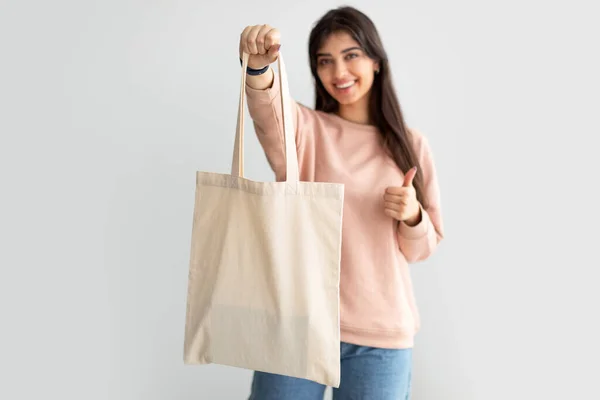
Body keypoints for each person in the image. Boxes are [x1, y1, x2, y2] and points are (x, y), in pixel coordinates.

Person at [239, 6, 444, 400]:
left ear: (376, 61)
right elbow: (267, 111)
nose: (339, 72)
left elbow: (422, 249)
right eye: (325, 61)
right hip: (297, 328)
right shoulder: (306, 131)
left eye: (351, 56)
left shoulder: (411, 145)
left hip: (381, 337)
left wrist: (413, 216)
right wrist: (260, 69)